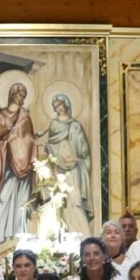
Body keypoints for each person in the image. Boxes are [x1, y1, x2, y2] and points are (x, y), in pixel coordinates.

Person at [0, 82, 36, 245]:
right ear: (12, 95)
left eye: (23, 95)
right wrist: (6, 137)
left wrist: (31, 149)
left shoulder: (25, 116)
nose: (21, 97)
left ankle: (18, 235)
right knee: (4, 198)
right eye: (19, 94)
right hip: (8, 164)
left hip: (25, 165)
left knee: (22, 201)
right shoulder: (2, 116)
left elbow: (29, 138)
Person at [44, 93, 93, 235]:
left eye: (60, 105)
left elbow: (83, 150)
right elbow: (51, 146)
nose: (59, 108)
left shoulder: (76, 125)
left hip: (74, 169)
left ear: (66, 104)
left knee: (75, 201)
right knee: (62, 204)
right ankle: (64, 234)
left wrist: (78, 158)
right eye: (56, 107)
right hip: (59, 170)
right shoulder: (54, 125)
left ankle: (82, 234)